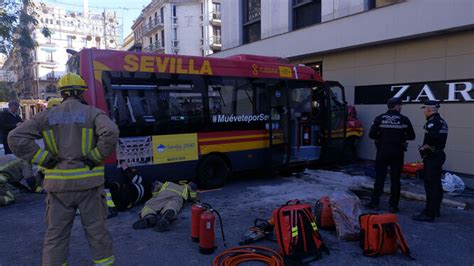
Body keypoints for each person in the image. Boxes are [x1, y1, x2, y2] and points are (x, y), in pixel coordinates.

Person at [8, 73, 120, 265]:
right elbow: (110, 132)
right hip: (88, 186)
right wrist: (95, 157)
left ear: (62, 93)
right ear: (82, 92)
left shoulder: (46, 116)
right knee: (97, 232)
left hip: (58, 188)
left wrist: (44, 159)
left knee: (56, 236)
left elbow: (15, 138)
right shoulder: (93, 113)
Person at [366, 97, 415, 213]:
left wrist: (382, 138)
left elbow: (371, 135)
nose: (401, 108)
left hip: (382, 152)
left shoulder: (379, 118)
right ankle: (393, 206)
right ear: (397, 106)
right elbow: (412, 136)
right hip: (397, 153)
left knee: (379, 178)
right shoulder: (404, 119)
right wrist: (400, 137)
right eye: (401, 106)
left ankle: (375, 203)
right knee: (395, 179)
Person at [413, 100, 448, 222]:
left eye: (424, 109)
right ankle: (435, 209)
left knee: (430, 185)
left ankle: (429, 213)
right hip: (439, 155)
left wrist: (424, 147)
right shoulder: (443, 122)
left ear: (429, 109)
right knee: (436, 184)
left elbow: (432, 138)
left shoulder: (432, 123)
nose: (424, 112)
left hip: (432, 156)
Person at [132, 181, 198, 231]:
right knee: (173, 205)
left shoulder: (166, 183)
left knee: (150, 206)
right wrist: (194, 199)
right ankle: (168, 214)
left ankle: (149, 216)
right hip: (178, 196)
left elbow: (155, 185)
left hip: (164, 193)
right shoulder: (186, 187)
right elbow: (193, 194)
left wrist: (155, 195)